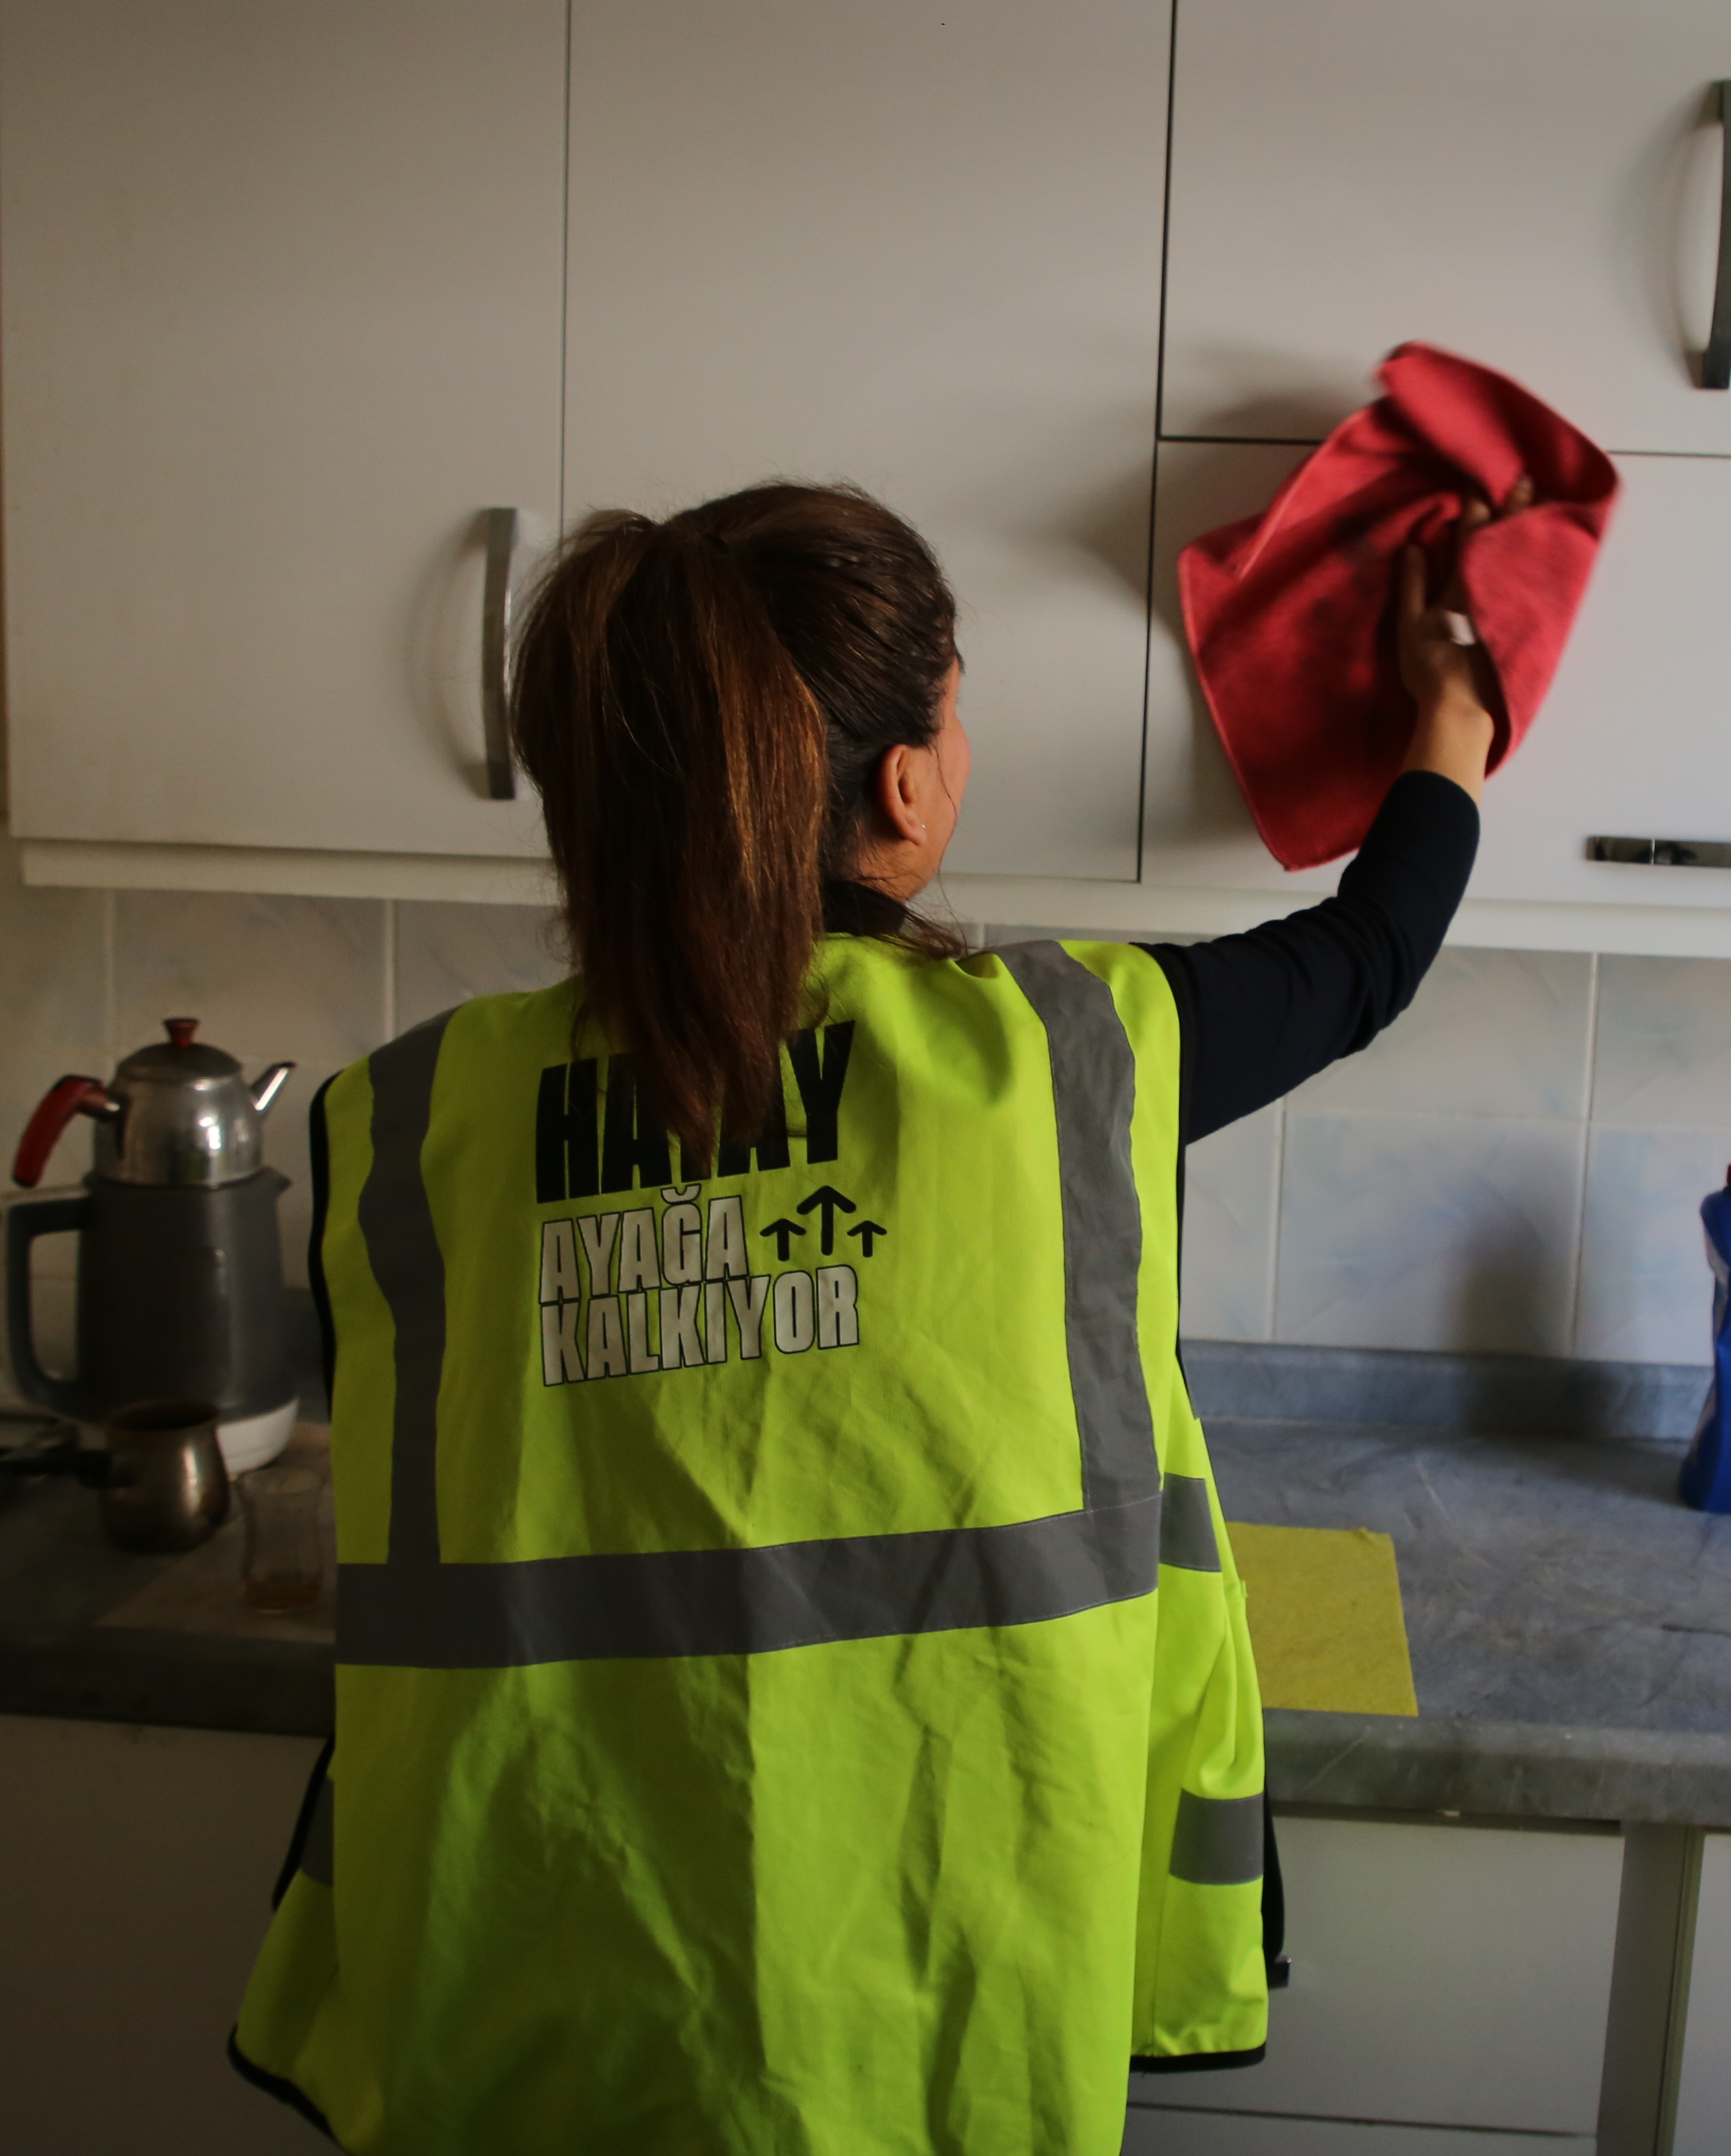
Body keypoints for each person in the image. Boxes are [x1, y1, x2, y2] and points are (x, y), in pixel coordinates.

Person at [232, 474, 1522, 2154]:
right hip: (932, 1990)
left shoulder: (414, 1121)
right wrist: (1449, 724)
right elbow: (1368, 955)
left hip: (528, 1992)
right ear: (906, 787)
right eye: (961, 717)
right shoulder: (1062, 1059)